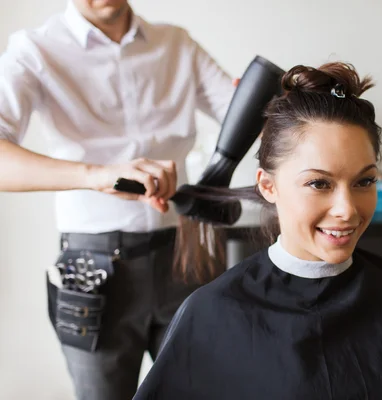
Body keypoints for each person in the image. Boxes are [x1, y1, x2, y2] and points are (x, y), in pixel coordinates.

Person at [133, 62, 382, 399]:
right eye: (319, 184)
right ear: (268, 186)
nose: (347, 210)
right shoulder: (212, 314)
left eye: (364, 181)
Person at [0, 0, 238, 399]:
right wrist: (96, 175)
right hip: (94, 268)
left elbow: (249, 117)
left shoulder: (176, 43)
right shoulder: (34, 50)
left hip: (186, 255)